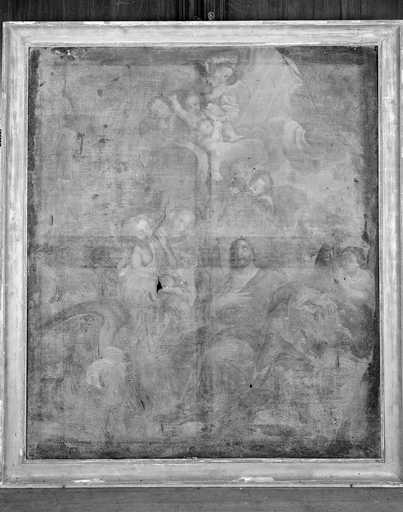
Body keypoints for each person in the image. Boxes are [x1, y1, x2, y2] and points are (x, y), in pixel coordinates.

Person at [201, 237, 284, 434]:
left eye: (244, 248)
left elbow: (284, 304)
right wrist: (222, 302)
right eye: (235, 249)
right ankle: (218, 415)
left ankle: (227, 415)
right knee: (207, 355)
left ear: (254, 252)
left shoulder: (270, 278)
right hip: (226, 335)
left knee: (216, 357)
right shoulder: (226, 281)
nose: (239, 253)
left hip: (257, 338)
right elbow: (206, 311)